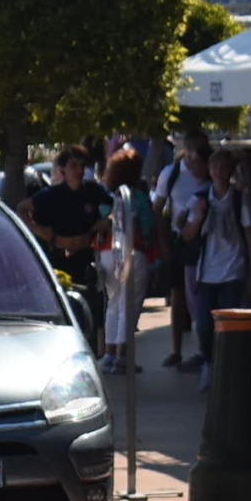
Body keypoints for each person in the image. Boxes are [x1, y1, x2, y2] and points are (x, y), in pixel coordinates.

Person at [183, 149, 251, 392]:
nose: (219, 172)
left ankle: (227, 371)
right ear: (209, 169)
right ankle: (209, 363)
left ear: (230, 171)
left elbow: (250, 238)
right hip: (207, 272)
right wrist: (198, 217)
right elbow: (186, 235)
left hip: (233, 270)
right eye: (215, 167)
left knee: (229, 325)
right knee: (204, 324)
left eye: (224, 167)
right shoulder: (199, 199)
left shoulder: (239, 199)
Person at [153, 132, 212, 370]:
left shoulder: (210, 172)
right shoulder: (172, 173)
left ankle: (203, 351)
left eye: (202, 149)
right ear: (185, 149)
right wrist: (164, 243)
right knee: (180, 295)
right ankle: (177, 350)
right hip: (183, 242)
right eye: (194, 149)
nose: (198, 155)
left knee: (200, 297)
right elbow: (158, 207)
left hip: (207, 242)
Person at [28, 145, 110, 312]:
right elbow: (22, 209)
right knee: (62, 306)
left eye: (82, 166)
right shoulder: (51, 194)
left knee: (95, 308)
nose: (78, 170)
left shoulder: (93, 190)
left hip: (86, 256)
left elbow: (118, 206)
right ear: (62, 169)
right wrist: (38, 230)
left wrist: (107, 221)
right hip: (59, 257)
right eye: (73, 165)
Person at [98, 147, 155, 376]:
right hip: (132, 251)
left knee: (113, 304)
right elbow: (149, 225)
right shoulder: (137, 197)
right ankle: (123, 354)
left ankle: (109, 353)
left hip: (106, 252)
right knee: (129, 304)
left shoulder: (107, 196)